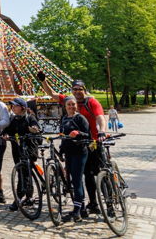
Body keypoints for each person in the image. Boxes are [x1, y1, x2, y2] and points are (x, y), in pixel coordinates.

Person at [38, 73, 106, 216]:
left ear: (84, 90)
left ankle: (107, 203)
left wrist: (102, 131)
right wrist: (44, 81)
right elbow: (51, 94)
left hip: (93, 141)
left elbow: (100, 117)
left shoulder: (91, 102)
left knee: (98, 173)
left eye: (80, 89)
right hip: (76, 145)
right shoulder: (69, 101)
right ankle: (88, 205)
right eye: (74, 89)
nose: (77, 92)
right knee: (84, 175)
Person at [2, 97, 40, 211]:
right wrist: (6, 134)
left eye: (15, 106)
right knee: (23, 172)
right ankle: (29, 197)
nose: (13, 107)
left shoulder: (30, 117)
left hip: (29, 148)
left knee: (24, 173)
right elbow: (8, 130)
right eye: (12, 106)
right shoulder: (14, 119)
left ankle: (18, 198)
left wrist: (34, 129)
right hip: (17, 149)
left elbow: (36, 127)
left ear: (22, 107)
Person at [59, 97, 90, 222]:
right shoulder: (64, 118)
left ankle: (77, 211)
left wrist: (78, 133)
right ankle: (82, 208)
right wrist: (61, 150)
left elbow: (88, 134)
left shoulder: (80, 118)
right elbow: (63, 136)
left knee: (77, 180)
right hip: (68, 152)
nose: (71, 106)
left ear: (76, 105)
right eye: (69, 104)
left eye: (73, 104)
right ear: (65, 106)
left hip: (79, 152)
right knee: (73, 180)